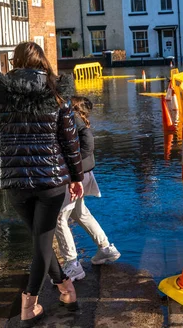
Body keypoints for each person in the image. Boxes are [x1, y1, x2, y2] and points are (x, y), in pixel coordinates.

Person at [0, 42, 84, 327]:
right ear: (42, 61)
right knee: (41, 243)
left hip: (14, 181)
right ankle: (29, 303)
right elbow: (70, 141)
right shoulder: (56, 91)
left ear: (15, 61)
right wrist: (77, 176)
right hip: (51, 180)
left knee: (40, 241)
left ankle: (65, 289)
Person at [55, 96, 120, 282]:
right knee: (79, 212)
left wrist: (68, 167)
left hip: (75, 175)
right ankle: (106, 248)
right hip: (85, 173)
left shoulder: (71, 119)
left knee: (60, 218)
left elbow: (85, 146)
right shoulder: (79, 121)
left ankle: (72, 263)